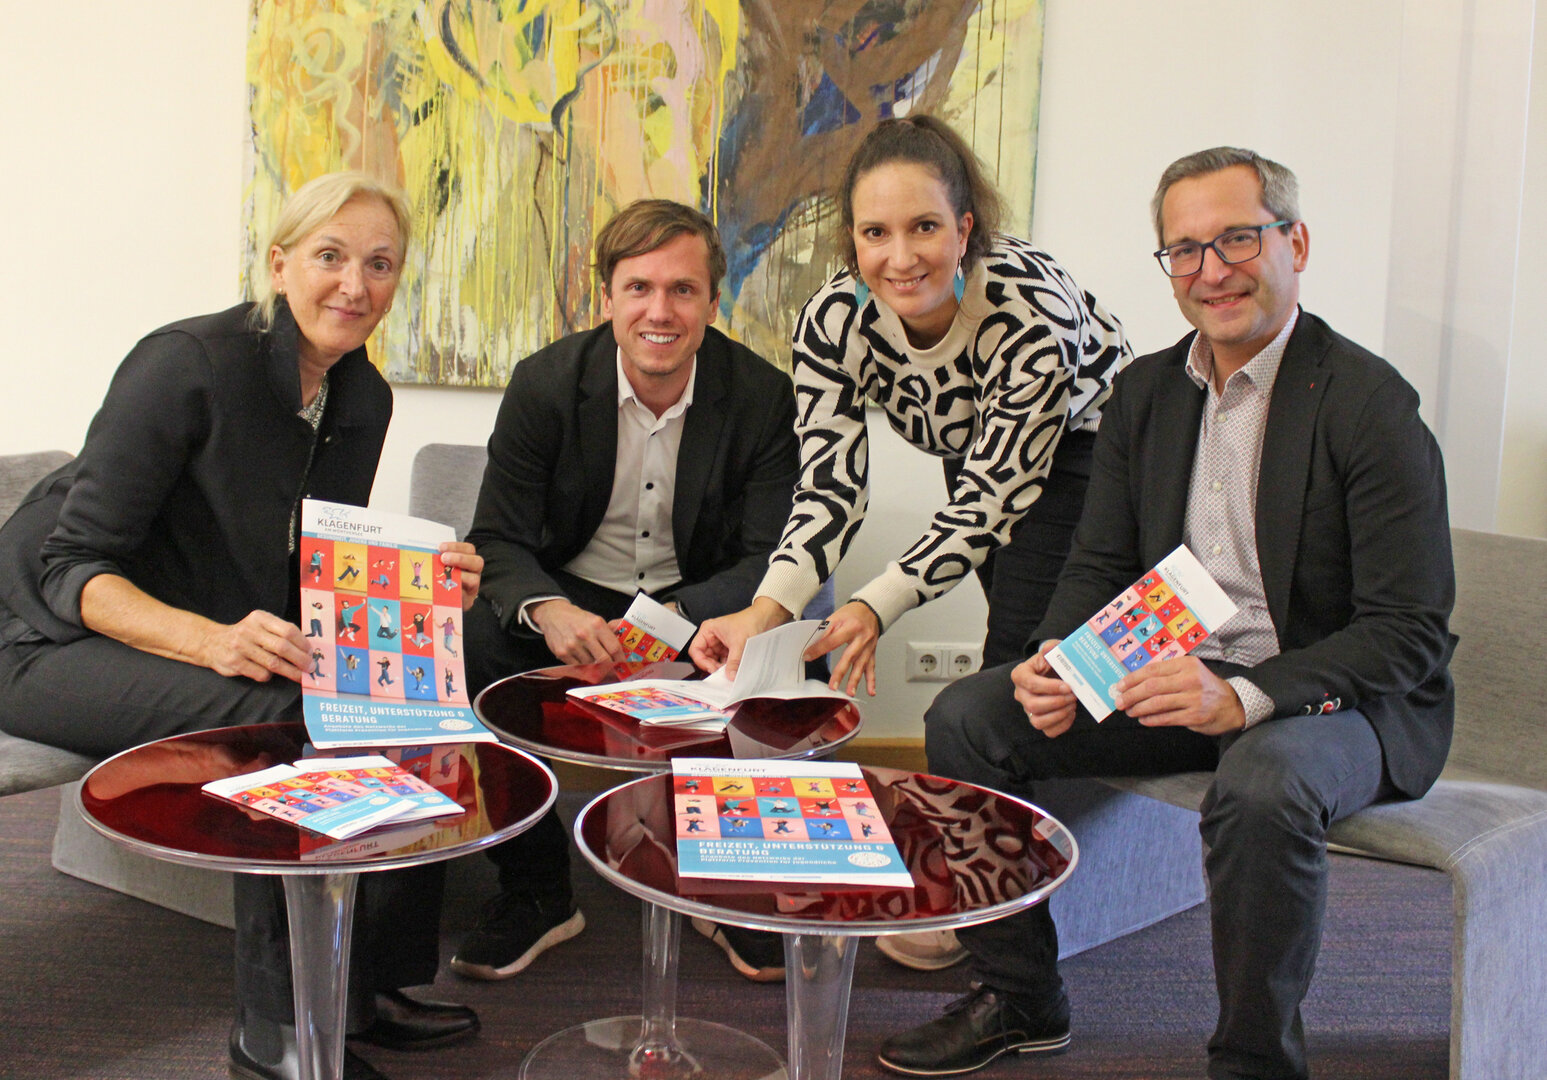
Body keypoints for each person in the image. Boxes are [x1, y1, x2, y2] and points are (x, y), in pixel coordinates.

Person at [874, 148, 1456, 1080]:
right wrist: (1054, 657)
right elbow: (1099, 560)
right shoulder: (1144, 394)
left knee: (1263, 783)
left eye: (1234, 238)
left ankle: (1253, 1061)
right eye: (1183, 250)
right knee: (969, 719)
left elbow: (1410, 630)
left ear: (1293, 243)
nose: (1210, 269)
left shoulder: (1368, 404)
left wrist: (1247, 699)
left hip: (1328, 700)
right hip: (1165, 675)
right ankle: (1021, 997)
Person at [0, 172, 487, 1080]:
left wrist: (418, 594)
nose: (354, 284)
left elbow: (312, 565)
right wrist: (213, 641)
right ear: (279, 263)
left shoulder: (361, 399)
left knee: (408, 703)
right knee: (279, 720)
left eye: (379, 265)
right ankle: (279, 1028)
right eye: (330, 256)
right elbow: (72, 571)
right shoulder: (185, 362)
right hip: (42, 635)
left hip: (179, 624)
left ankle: (365, 985)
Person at [454, 199, 799, 983]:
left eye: (683, 290)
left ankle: (722, 887)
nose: (659, 310)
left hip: (696, 598)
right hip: (570, 593)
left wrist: (683, 620)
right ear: (604, 296)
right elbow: (497, 538)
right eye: (638, 287)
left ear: (715, 303)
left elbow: (768, 554)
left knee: (769, 641)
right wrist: (550, 611)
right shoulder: (544, 385)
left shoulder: (761, 398)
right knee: (470, 643)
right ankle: (538, 893)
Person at [690, 115, 1130, 699]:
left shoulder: (1027, 309)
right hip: (979, 450)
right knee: (1020, 652)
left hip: (1088, 447)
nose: (900, 259)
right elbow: (830, 487)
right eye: (875, 233)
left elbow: (995, 494)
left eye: (924, 227)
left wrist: (875, 604)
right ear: (852, 238)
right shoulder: (832, 322)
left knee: (1019, 660)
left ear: (964, 227)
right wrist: (767, 610)